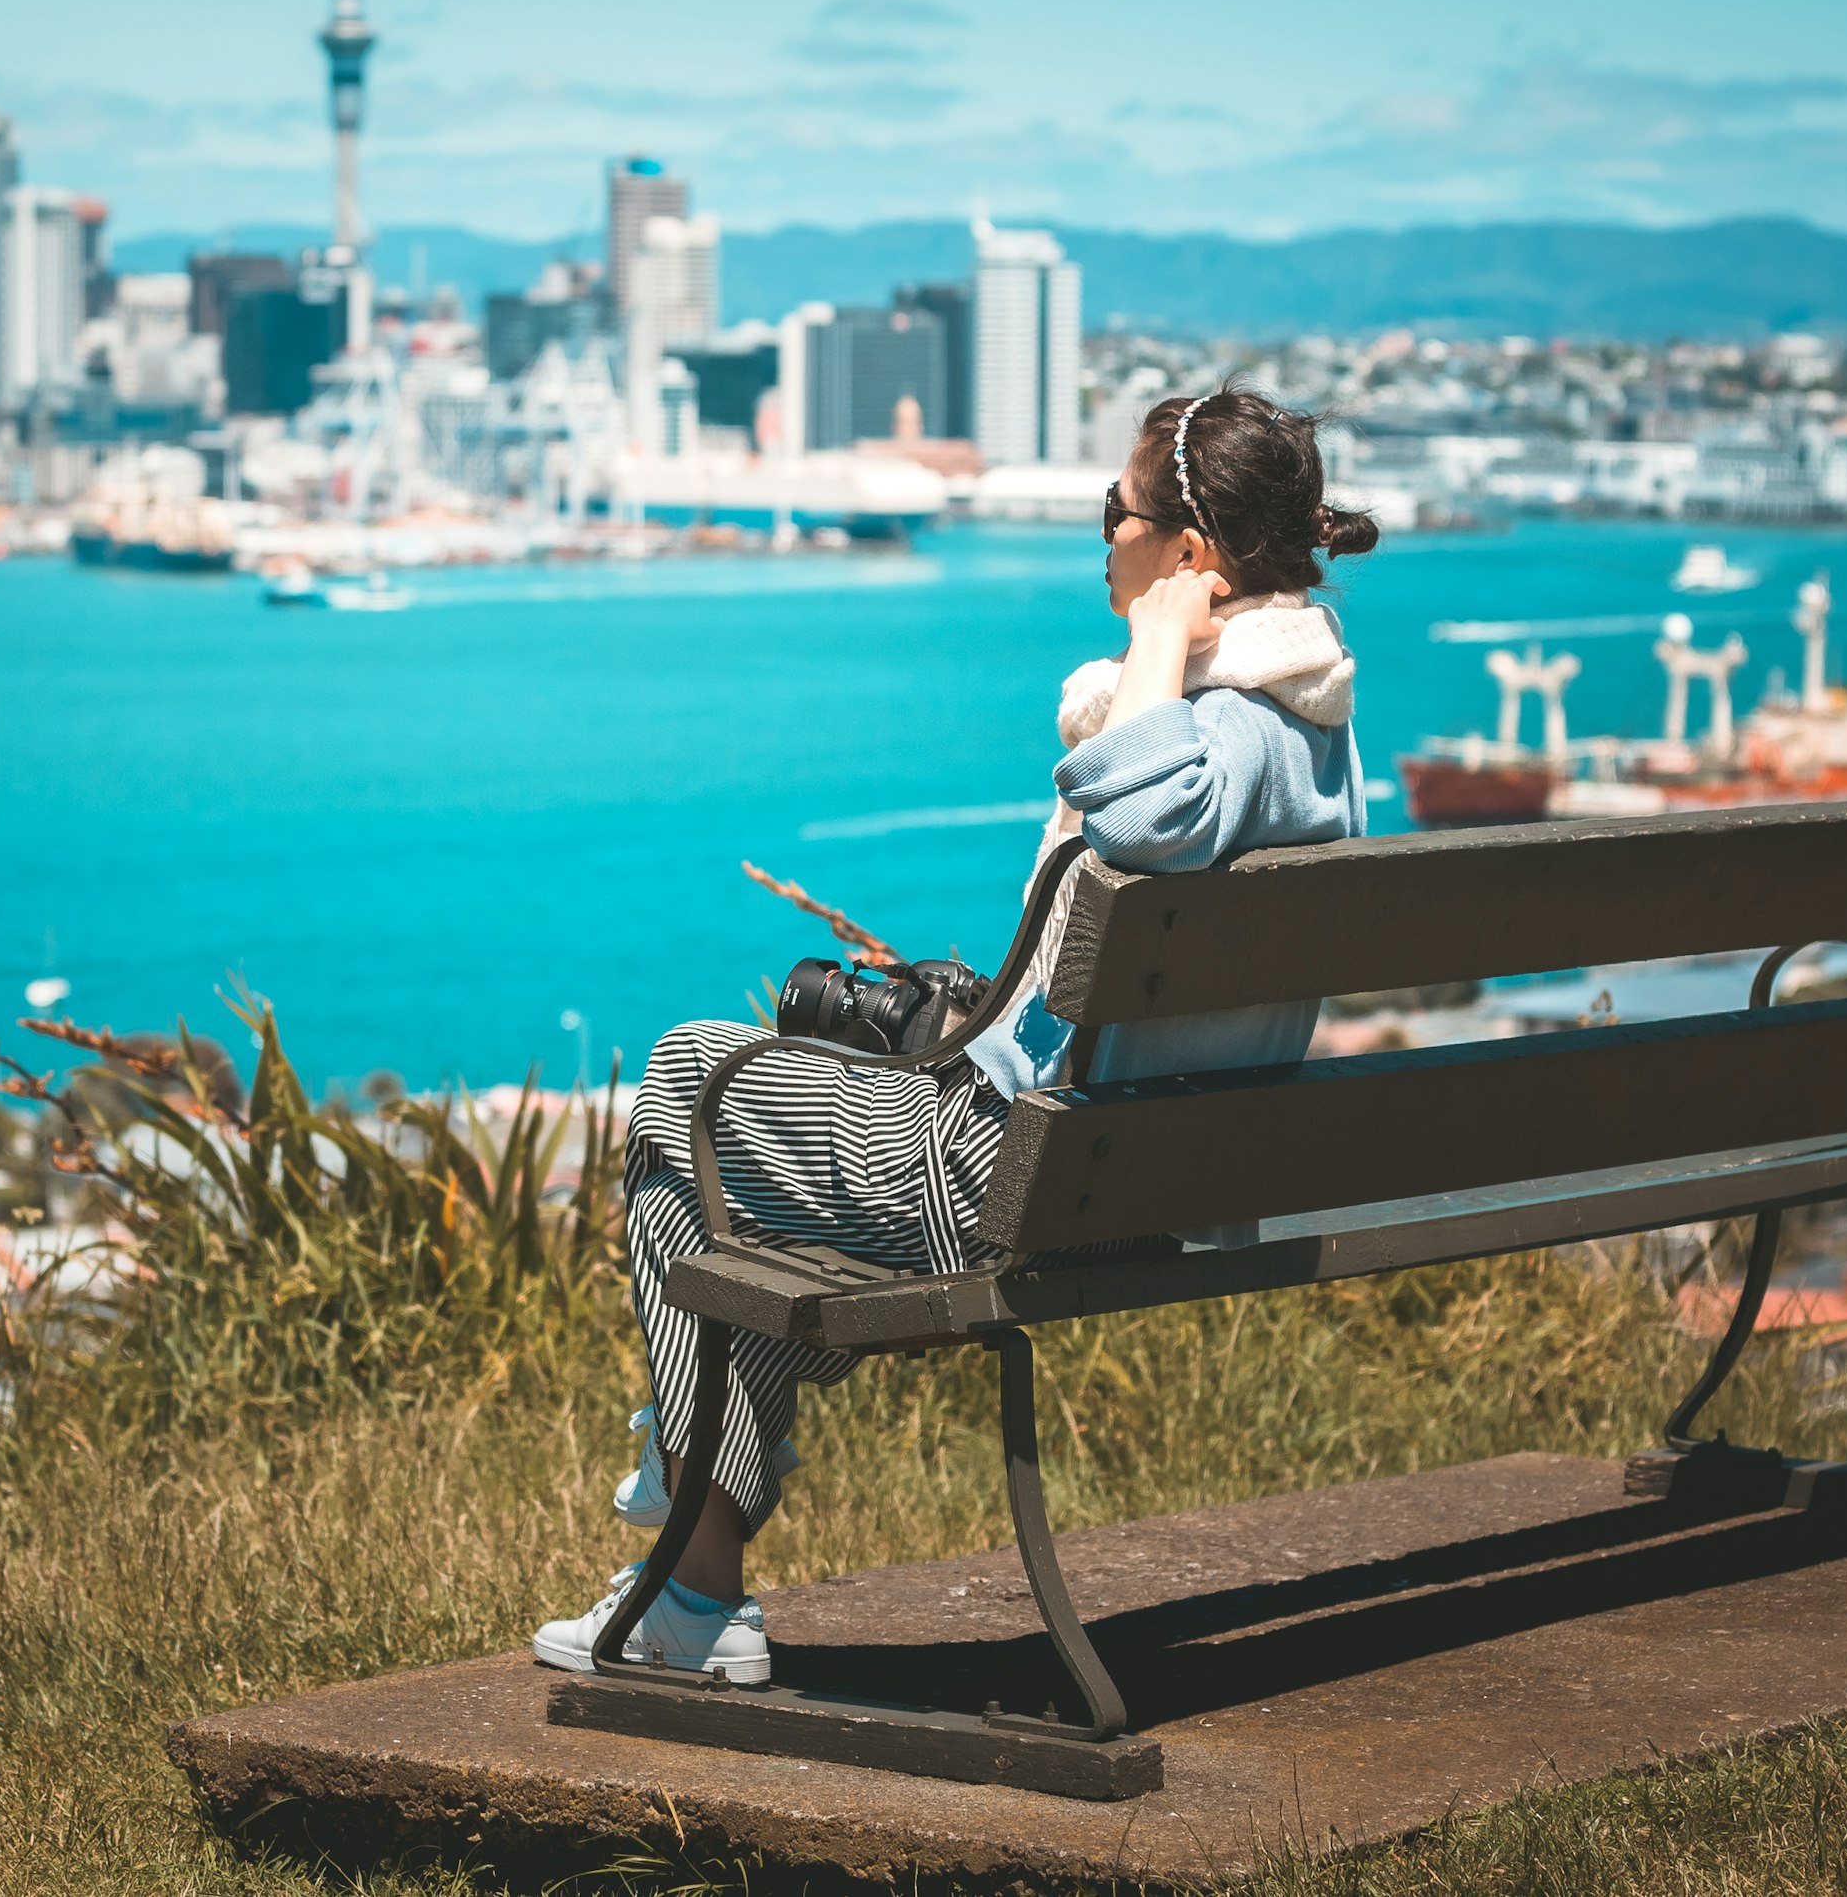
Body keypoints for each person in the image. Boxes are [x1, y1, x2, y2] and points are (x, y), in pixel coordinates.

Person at [534, 389, 1379, 1686]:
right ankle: (691, 1598)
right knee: (688, 1218)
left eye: (1120, 514)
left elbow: (1153, 816)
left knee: (685, 1074)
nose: (1104, 538)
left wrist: (1158, 641)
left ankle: (692, 1577)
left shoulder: (1229, 731)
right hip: (1151, 1185)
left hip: (1013, 1182)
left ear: (1192, 558)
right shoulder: (1316, 729)